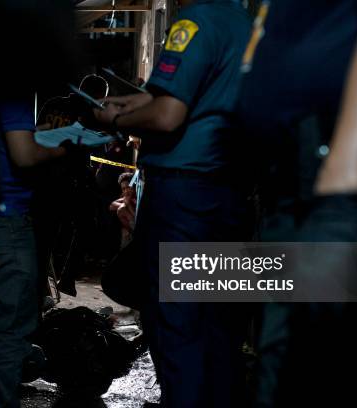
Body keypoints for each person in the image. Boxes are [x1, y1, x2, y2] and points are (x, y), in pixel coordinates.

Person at [235, 0, 357, 406]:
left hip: (344, 187)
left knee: (333, 372)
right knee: (288, 368)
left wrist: (340, 202)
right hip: (294, 191)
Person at [93, 1, 252, 406]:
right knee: (217, 332)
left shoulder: (194, 22)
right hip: (227, 195)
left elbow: (166, 114)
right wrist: (131, 103)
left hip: (183, 201)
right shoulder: (246, 24)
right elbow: (165, 96)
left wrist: (110, 119)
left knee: (177, 330)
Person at [0, 96, 67, 408]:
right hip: (6, 222)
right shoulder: (12, 82)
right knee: (6, 337)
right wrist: (64, 147)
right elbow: (23, 154)